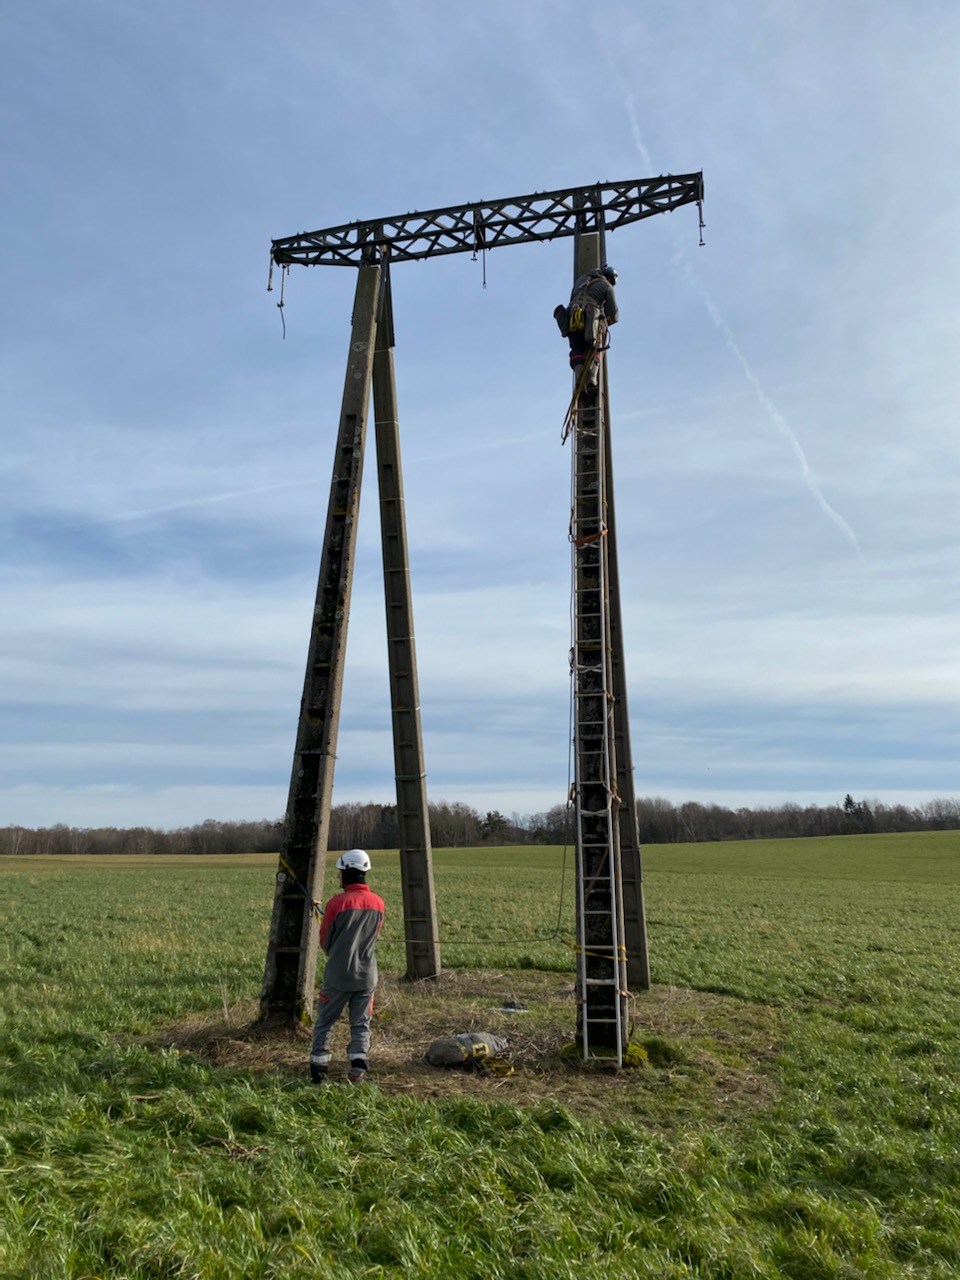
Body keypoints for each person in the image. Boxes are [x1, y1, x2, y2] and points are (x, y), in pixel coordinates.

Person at [309, 849, 385, 1084]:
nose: (338, 877)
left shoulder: (336, 903)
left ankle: (319, 1072)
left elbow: (326, 941)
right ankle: (357, 1072)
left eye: (340, 872)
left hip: (339, 976)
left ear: (348, 873)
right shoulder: (378, 903)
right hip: (367, 975)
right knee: (361, 1024)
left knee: (325, 1022)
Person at [555, 263, 619, 390]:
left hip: (573, 318)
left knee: (577, 347)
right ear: (610, 278)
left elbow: (572, 299)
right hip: (590, 319)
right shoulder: (607, 286)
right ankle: (591, 378)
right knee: (596, 347)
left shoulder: (580, 280)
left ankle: (579, 377)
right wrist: (606, 321)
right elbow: (614, 314)